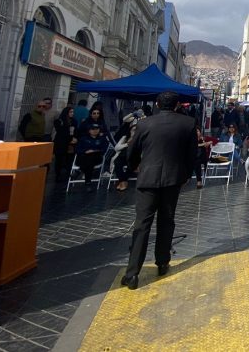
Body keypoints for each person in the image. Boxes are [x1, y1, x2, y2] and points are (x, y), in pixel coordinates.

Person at [122, 91, 196, 290]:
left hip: (148, 179)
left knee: (142, 225)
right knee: (167, 220)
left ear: (157, 103)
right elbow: (192, 154)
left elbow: (132, 150)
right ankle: (162, 262)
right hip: (173, 180)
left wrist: (134, 166)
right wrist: (186, 175)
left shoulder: (145, 124)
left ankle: (132, 273)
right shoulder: (187, 124)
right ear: (178, 104)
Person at [75, 123, 107, 192]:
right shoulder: (83, 138)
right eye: (93, 129)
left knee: (91, 157)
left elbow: (104, 149)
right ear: (89, 130)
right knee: (88, 161)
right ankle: (88, 182)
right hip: (84, 157)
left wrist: (94, 151)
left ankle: (80, 171)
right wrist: (85, 151)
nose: (95, 131)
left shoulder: (102, 139)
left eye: (97, 129)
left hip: (97, 157)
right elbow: (77, 149)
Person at [52, 107, 78, 182]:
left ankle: (67, 175)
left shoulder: (74, 121)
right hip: (61, 143)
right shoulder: (59, 121)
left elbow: (75, 131)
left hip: (70, 144)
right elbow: (60, 132)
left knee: (69, 159)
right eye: (70, 112)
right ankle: (58, 175)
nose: (72, 113)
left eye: (73, 112)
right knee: (59, 160)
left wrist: (75, 138)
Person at [112, 121, 139, 191]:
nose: (134, 132)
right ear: (130, 131)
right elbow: (116, 148)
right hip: (122, 156)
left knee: (131, 163)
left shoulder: (140, 138)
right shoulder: (125, 138)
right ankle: (123, 181)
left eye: (136, 130)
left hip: (134, 157)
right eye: (133, 130)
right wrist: (127, 144)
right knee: (117, 162)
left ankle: (122, 181)